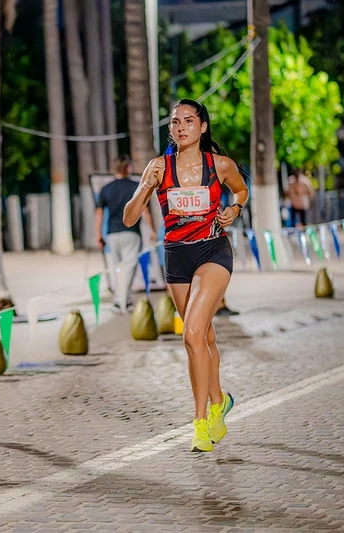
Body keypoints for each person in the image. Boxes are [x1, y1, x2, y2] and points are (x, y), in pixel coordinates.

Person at [122, 99, 249, 453]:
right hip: (177, 259)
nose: (181, 127)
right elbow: (129, 218)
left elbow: (241, 189)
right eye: (175, 122)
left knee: (191, 332)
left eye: (189, 121)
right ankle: (220, 401)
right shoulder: (159, 167)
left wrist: (235, 209)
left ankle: (200, 423)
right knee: (203, 337)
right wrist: (145, 187)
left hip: (213, 251)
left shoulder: (220, 165)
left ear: (203, 127)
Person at [96, 156, 156, 312]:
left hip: (112, 234)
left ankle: (123, 300)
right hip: (131, 233)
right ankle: (121, 301)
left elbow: (99, 214)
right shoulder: (136, 187)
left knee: (117, 269)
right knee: (129, 268)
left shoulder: (106, 189)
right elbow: (145, 211)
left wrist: (98, 234)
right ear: (128, 168)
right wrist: (152, 230)